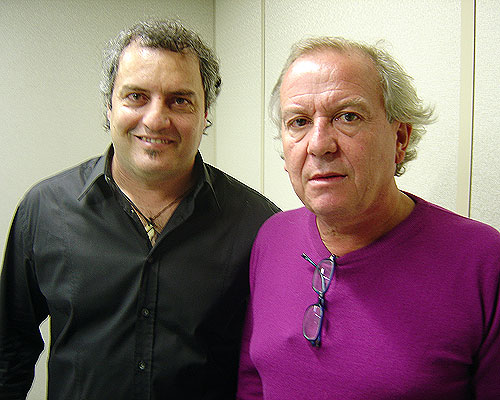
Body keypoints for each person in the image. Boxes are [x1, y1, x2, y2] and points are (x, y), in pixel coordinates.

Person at [0, 19, 279, 399]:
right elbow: (10, 350)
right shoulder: (45, 210)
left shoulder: (257, 225)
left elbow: (268, 367)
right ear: (109, 107)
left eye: (179, 100)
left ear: (205, 113)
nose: (155, 119)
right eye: (136, 96)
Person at [237, 37, 500, 399]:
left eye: (348, 117)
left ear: (400, 138)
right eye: (298, 122)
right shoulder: (271, 237)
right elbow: (252, 381)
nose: (319, 144)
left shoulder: (482, 261)